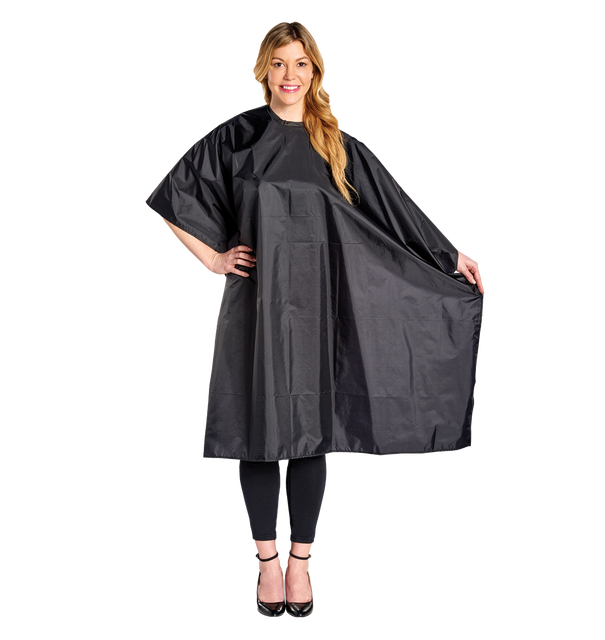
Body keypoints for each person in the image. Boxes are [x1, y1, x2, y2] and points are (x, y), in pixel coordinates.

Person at [143, 19, 486, 620]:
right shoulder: (237, 137)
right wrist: (213, 259)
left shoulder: (337, 144)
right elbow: (171, 196)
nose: (290, 75)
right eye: (279, 63)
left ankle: (301, 563)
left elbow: (397, 209)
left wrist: (450, 253)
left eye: (301, 63)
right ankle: (266, 563)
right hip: (256, 304)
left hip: (321, 307)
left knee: (310, 428)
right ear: (263, 70)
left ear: (316, 71)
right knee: (257, 428)